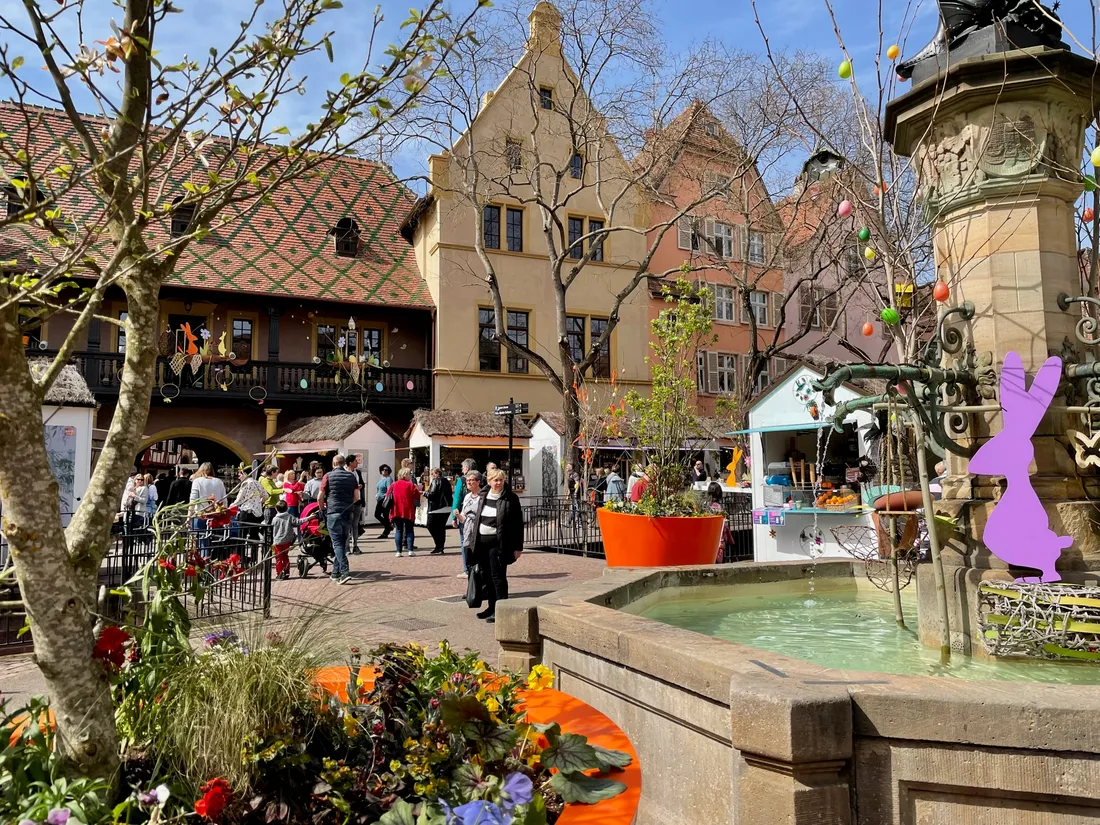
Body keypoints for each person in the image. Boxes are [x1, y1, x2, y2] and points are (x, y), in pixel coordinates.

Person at [468, 468, 523, 624]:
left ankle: (501, 610)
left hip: (498, 544)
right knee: (486, 577)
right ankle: (491, 607)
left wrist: (518, 547)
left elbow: (518, 524)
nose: (498, 483)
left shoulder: (510, 498)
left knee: (498, 577)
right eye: (495, 480)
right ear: (489, 481)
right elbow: (478, 518)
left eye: (500, 480)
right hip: (482, 543)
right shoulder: (484, 495)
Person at [318, 454, 359, 584]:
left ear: (334, 464)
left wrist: (322, 509)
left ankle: (344, 571)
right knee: (341, 543)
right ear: (344, 463)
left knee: (337, 543)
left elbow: (320, 497)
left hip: (333, 512)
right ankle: (335, 573)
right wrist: (348, 505)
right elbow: (357, 497)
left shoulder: (328, 476)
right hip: (348, 512)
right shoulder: (351, 476)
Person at [189, 462, 227, 557]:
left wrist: (189, 517)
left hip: (201, 515)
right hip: (216, 516)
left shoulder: (197, 481)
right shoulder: (219, 482)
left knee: (201, 542)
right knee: (214, 542)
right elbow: (224, 501)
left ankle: (203, 561)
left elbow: (193, 501)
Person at [232, 466, 266, 559]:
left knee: (242, 536)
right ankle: (254, 557)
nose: (239, 476)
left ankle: (241, 558)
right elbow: (265, 495)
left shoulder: (246, 483)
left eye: (240, 474)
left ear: (245, 473)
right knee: (254, 536)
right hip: (257, 513)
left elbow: (239, 500)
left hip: (246, 513)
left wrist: (230, 507)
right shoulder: (257, 482)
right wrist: (258, 502)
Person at [388, 467, 421, 558]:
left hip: (396, 510)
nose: (410, 476)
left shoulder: (394, 484)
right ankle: (410, 550)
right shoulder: (411, 485)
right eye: (409, 474)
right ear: (405, 475)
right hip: (408, 510)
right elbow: (417, 496)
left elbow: (387, 495)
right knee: (409, 530)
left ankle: (398, 551)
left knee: (398, 530)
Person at [457, 470, 482, 578]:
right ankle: (472, 585)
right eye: (467, 480)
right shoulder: (467, 497)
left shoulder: (483, 497)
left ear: (478, 482)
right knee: (469, 561)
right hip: (468, 532)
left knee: (480, 561)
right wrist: (458, 515)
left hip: (479, 532)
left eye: (471, 480)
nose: (469, 482)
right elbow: (463, 518)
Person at [270, 500, 302, 581]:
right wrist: (308, 518)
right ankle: (286, 571)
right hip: (287, 541)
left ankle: (280, 573)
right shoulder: (289, 516)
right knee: (285, 556)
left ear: (276, 509)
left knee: (278, 558)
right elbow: (298, 522)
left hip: (277, 541)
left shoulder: (275, 519)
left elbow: (272, 530)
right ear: (287, 508)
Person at [451, 459, 476, 559]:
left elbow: (457, 498)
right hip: (479, 513)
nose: (461, 470)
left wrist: (454, 517)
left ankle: (467, 566)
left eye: (462, 467)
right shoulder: (481, 478)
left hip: (465, 514)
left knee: (464, 541)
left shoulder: (461, 480)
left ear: (467, 468)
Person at [425, 467, 453, 555]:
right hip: (447, 507)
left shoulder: (435, 481)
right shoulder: (447, 481)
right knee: (441, 527)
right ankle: (440, 546)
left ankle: (438, 545)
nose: (432, 476)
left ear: (436, 473)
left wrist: (425, 493)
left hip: (436, 508)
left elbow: (432, 494)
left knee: (430, 525)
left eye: (432, 474)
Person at [345, 455, 365, 555]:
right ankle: (347, 547)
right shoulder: (344, 472)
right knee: (347, 525)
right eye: (355, 461)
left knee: (355, 525)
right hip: (348, 502)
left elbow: (362, 484)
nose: (357, 463)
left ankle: (355, 545)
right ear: (350, 463)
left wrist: (360, 486)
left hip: (357, 501)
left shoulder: (357, 472)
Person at [375, 464, 394, 539]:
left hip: (385, 499)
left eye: (386, 470)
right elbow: (378, 488)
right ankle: (388, 527)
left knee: (384, 515)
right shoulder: (381, 478)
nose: (384, 471)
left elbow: (389, 489)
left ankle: (387, 529)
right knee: (378, 515)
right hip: (379, 499)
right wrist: (377, 494)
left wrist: (386, 497)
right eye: (383, 469)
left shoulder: (388, 479)